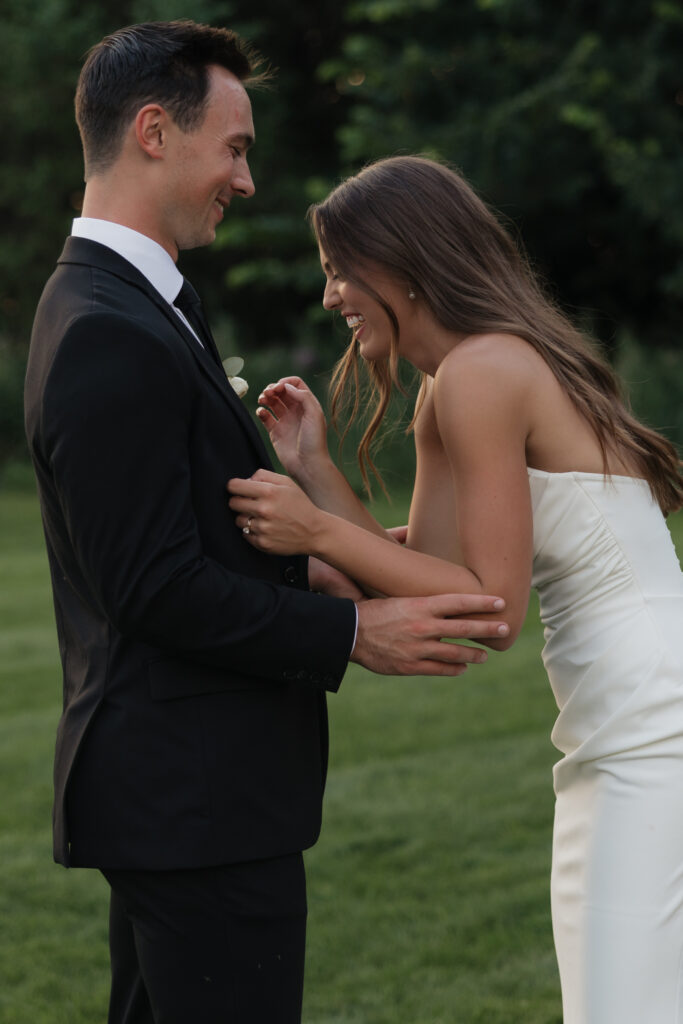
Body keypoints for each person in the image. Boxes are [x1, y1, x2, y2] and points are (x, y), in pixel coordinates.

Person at [23, 30, 509, 1024]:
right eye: (234, 149)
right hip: (190, 804)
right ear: (154, 132)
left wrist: (317, 537)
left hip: (194, 798)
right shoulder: (107, 327)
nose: (246, 180)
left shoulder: (135, 304)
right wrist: (351, 633)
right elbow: (152, 586)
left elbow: (194, 539)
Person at [227, 155, 683, 1023]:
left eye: (338, 270)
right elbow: (434, 569)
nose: (330, 297)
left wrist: (317, 530)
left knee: (623, 1004)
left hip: (650, 719)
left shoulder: (483, 371)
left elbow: (492, 611)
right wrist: (317, 475)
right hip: (635, 709)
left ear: (401, 265)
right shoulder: (458, 380)